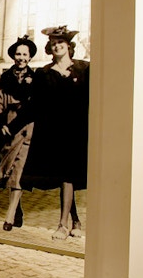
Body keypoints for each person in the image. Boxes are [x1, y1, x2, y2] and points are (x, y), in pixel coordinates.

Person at [10, 26, 87, 240]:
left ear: (69, 45)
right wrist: (13, 124)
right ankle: (70, 222)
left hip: (78, 132)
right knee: (64, 176)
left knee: (69, 176)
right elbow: (33, 105)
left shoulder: (85, 70)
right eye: (53, 43)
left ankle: (67, 223)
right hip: (54, 132)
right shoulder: (44, 74)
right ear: (50, 48)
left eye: (61, 42)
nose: (57, 46)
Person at [0, 36, 37, 231]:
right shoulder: (1, 79)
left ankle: (9, 217)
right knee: (9, 170)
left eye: (25, 54)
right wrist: (1, 122)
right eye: (18, 54)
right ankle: (16, 210)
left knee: (19, 170)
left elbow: (36, 105)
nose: (21, 58)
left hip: (27, 127)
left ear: (30, 57)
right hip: (8, 128)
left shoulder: (36, 80)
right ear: (13, 56)